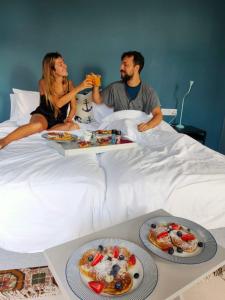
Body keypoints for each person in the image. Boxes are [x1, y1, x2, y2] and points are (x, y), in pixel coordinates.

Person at [0, 52, 93, 149]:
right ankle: (4, 141)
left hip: (58, 120)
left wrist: (69, 118)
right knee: (38, 125)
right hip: (43, 115)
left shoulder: (69, 84)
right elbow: (58, 103)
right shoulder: (43, 83)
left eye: (63, 62)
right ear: (52, 70)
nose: (65, 65)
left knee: (74, 127)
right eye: (60, 64)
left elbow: (73, 107)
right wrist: (80, 87)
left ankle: (46, 131)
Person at [92, 51, 162, 131]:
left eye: (125, 65)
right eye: (121, 64)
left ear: (136, 68)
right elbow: (97, 100)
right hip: (120, 128)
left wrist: (148, 125)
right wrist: (96, 85)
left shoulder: (149, 91)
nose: (121, 68)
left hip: (139, 128)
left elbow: (158, 114)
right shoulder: (115, 87)